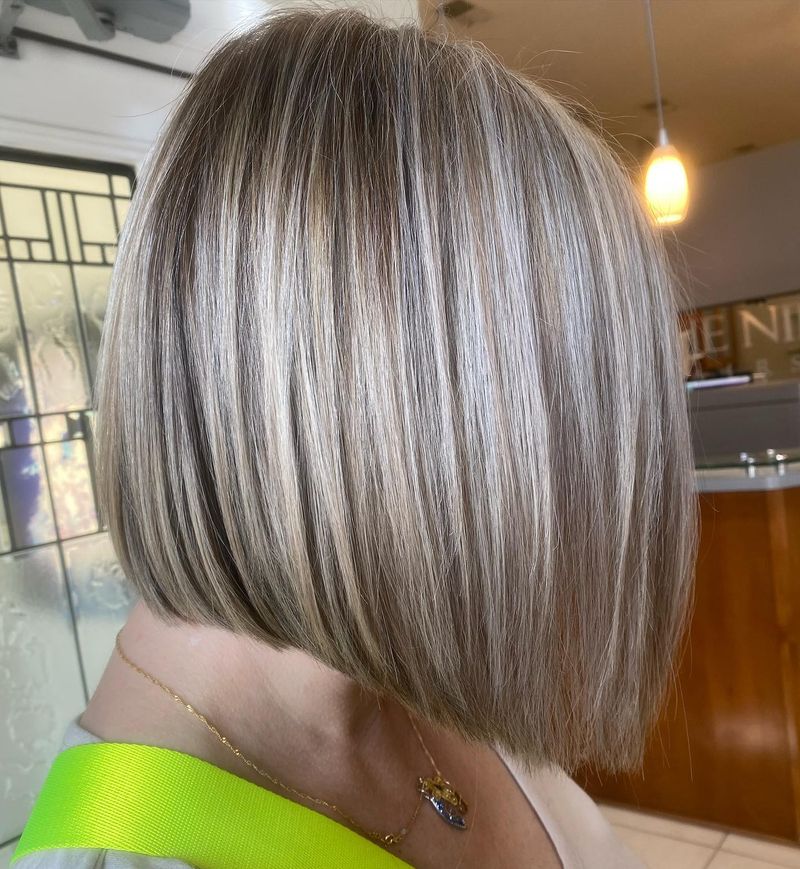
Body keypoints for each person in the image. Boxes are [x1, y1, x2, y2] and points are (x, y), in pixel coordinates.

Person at [12, 8, 696, 868]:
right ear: (389, 421)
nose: (598, 501)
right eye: (571, 432)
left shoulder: (405, 656)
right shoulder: (131, 842)